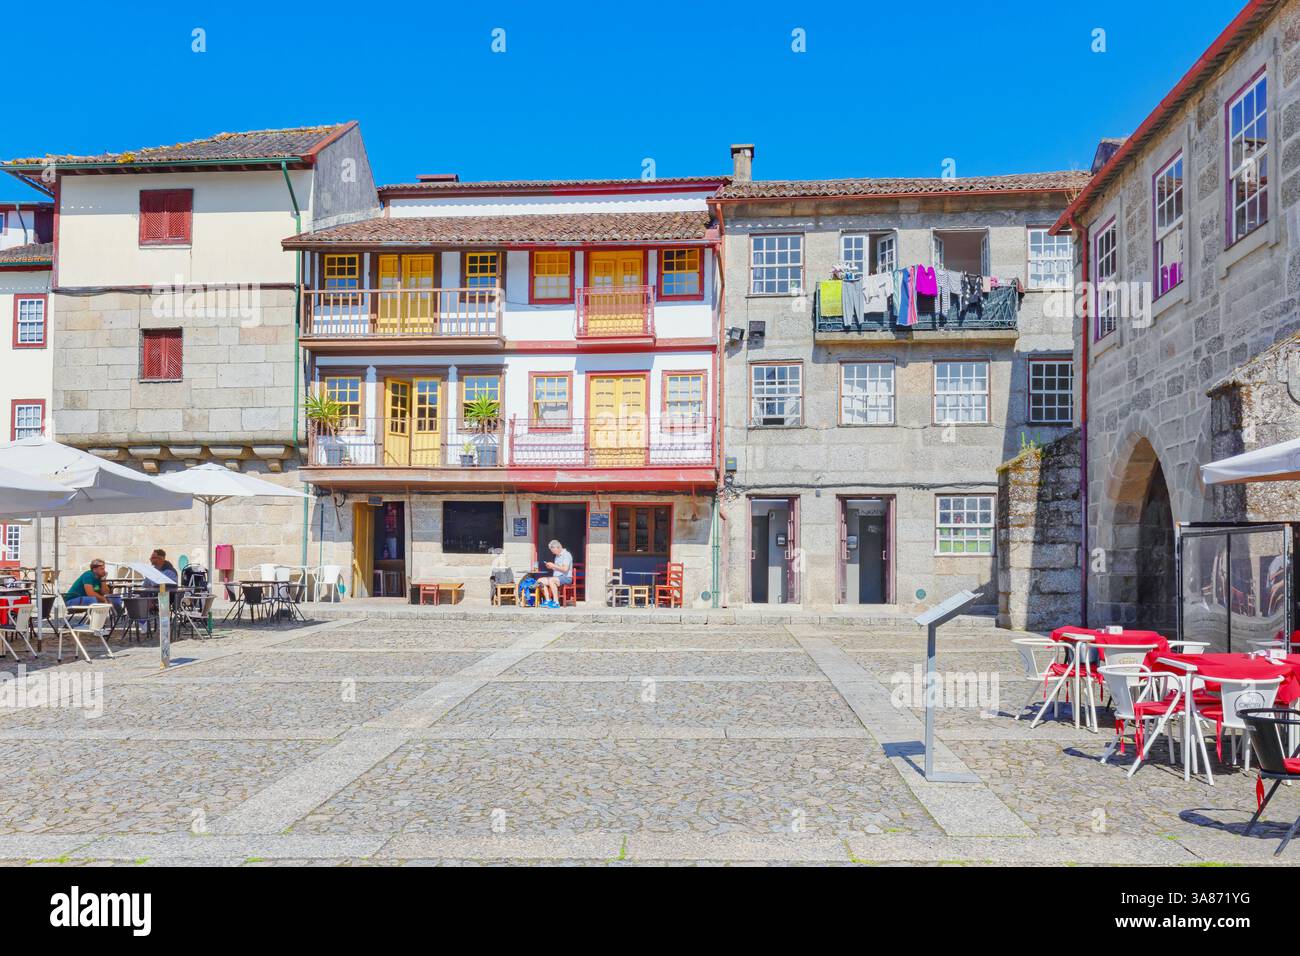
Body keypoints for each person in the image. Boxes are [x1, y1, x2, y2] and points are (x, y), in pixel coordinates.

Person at [536, 539, 573, 609]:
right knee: (539, 581)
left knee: (552, 580)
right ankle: (548, 600)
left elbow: (565, 569)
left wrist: (553, 565)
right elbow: (557, 568)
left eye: (553, 551)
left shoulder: (566, 555)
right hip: (557, 577)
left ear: (558, 547)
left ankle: (556, 602)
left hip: (566, 577)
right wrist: (551, 567)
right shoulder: (557, 556)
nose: (552, 553)